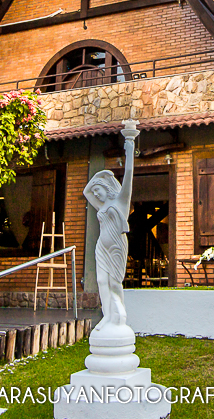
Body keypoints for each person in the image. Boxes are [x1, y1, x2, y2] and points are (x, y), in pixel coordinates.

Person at [83, 122, 137, 329]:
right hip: (101, 247)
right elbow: (86, 192)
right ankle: (107, 316)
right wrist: (99, 176)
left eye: (99, 191)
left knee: (115, 282)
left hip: (116, 246)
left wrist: (129, 143)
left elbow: (129, 173)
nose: (95, 195)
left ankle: (120, 317)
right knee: (101, 281)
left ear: (108, 189)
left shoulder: (120, 202)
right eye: (96, 193)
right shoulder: (101, 206)